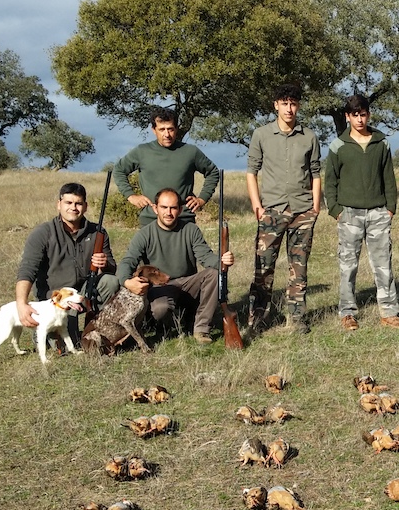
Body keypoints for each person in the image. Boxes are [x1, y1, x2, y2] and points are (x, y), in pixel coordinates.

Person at [323, 94, 399, 331]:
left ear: (368, 114)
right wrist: (336, 210)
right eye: (354, 115)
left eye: (363, 114)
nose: (359, 119)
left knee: (383, 264)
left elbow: (389, 177)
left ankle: (389, 312)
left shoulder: (382, 142)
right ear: (348, 117)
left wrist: (390, 208)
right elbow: (330, 181)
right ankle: (348, 313)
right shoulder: (338, 146)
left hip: (379, 212)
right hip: (348, 214)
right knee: (348, 266)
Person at [246, 84, 322, 335]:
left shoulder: (309, 136)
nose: (289, 108)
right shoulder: (261, 135)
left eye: (293, 103)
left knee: (298, 267)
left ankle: (297, 317)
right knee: (264, 267)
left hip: (303, 210)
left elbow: (315, 173)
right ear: (275, 105)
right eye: (284, 103)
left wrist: (316, 206)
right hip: (271, 210)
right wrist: (257, 205)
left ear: (298, 106)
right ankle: (258, 316)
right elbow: (251, 172)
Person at [117, 188, 235, 344]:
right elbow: (128, 261)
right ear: (155, 208)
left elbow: (206, 257)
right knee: (160, 309)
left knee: (214, 273)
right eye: (164, 207)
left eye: (173, 208)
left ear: (180, 209)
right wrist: (126, 282)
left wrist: (222, 261)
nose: (168, 212)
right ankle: (164, 324)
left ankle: (201, 329)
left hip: (187, 283)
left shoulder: (191, 229)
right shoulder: (144, 234)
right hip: (160, 288)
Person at [15, 182, 119, 340]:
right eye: (68, 203)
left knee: (111, 282)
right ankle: (46, 334)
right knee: (68, 343)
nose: (73, 208)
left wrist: (105, 264)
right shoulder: (42, 233)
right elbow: (27, 270)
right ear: (59, 204)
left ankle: (100, 328)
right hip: (57, 298)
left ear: (85, 206)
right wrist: (21, 304)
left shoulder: (98, 232)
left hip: (84, 293)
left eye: (78, 203)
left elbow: (112, 269)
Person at [112, 107, 220, 227]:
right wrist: (131, 196)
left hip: (184, 220)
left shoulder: (190, 152)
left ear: (176, 129)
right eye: (162, 129)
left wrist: (202, 199)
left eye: (170, 129)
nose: (166, 134)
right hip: (150, 220)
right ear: (154, 130)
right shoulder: (142, 151)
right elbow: (119, 170)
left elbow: (213, 172)